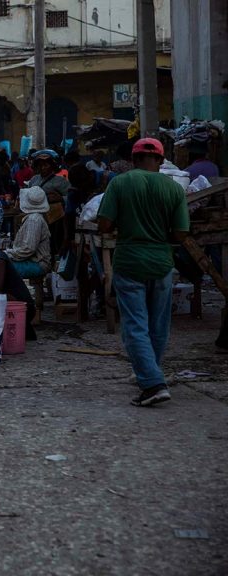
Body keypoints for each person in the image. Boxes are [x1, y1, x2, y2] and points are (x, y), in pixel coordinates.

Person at [97, 138, 189, 407]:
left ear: (133, 159)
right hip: (161, 262)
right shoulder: (173, 188)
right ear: (160, 160)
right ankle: (150, 372)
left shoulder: (120, 183)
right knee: (158, 325)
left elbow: (104, 225)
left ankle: (152, 383)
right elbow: (181, 234)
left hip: (129, 261)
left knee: (135, 324)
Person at [27, 149, 71, 254]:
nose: (43, 167)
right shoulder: (33, 180)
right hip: (34, 217)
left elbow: (70, 197)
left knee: (51, 244)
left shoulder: (60, 181)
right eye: (40, 165)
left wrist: (60, 198)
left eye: (46, 165)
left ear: (52, 166)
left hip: (53, 220)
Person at [6, 186, 52, 278]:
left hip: (37, 264)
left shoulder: (34, 220)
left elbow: (28, 249)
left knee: (0, 266)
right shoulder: (34, 218)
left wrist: (8, 253)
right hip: (32, 261)